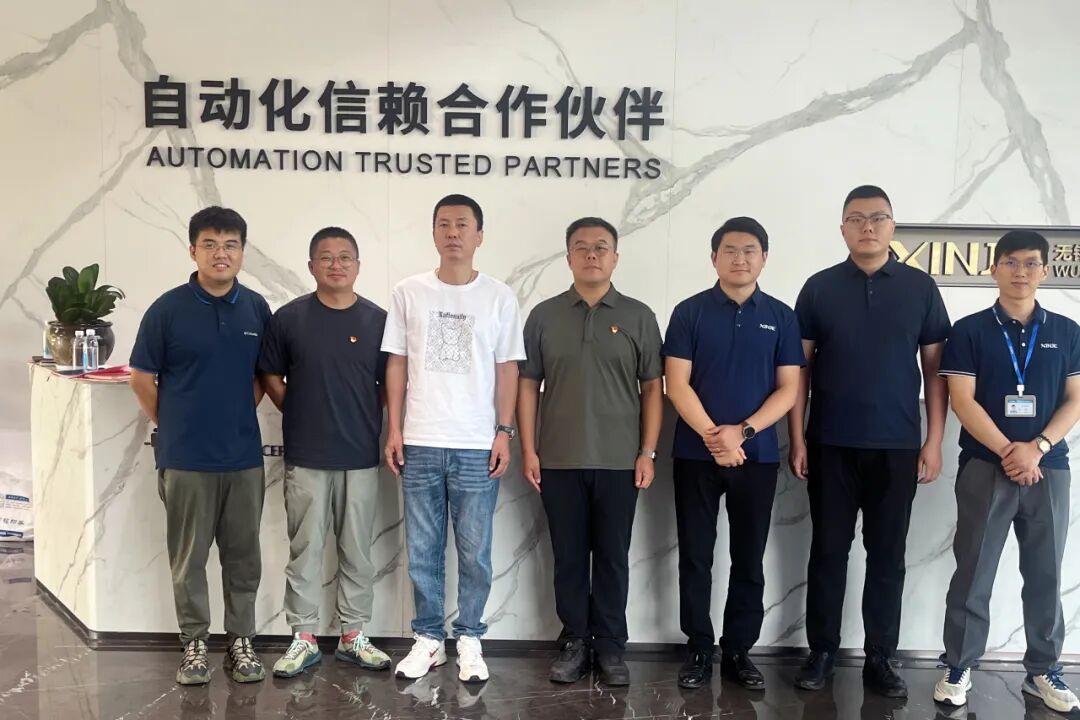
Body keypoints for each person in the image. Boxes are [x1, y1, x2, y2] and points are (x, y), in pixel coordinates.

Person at [787, 185, 951, 697]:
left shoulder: (920, 288)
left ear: (892, 226)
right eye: (856, 219)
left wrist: (934, 441)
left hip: (897, 445)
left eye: (878, 218)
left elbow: (936, 373)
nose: (867, 227)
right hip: (830, 443)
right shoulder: (819, 288)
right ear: (842, 229)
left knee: (887, 557)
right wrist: (797, 438)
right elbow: (798, 372)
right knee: (828, 552)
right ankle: (822, 652)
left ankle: (881, 657)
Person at [934, 230, 1080, 713]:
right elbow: (962, 400)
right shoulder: (969, 331)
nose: (1021, 271)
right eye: (1011, 262)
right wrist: (1008, 451)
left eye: (1031, 263)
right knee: (973, 571)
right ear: (994, 269)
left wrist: (1037, 448)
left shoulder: (1068, 332)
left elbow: (1075, 400)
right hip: (985, 465)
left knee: (1045, 573)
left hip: (1048, 469)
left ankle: (1043, 669)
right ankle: (959, 665)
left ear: (1045, 271)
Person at [381, 194, 525, 683]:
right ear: (433, 233)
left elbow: (508, 368)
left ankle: (469, 637)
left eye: (463, 224)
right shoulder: (409, 292)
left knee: (474, 551)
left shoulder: (499, 296)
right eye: (444, 224)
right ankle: (428, 639)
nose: (453, 233)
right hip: (420, 439)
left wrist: (504, 431)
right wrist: (395, 427)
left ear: (479, 235)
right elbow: (396, 362)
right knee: (423, 549)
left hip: (477, 444)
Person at [517, 217, 663, 687]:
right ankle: (576, 641)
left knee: (614, 557)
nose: (592, 254)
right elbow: (527, 386)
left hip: (620, 461)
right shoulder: (544, 316)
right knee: (569, 557)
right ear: (569, 258)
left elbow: (653, 389)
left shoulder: (639, 316)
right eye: (581, 247)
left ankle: (612, 646)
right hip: (558, 460)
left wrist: (647, 451)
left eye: (601, 247)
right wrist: (529, 449)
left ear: (615, 257)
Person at [129, 206, 270, 685]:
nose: (220, 253)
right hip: (186, 459)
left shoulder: (256, 309)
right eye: (210, 244)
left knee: (243, 557)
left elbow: (262, 377)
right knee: (188, 559)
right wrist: (175, 424)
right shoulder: (167, 310)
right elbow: (141, 378)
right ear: (193, 250)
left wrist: (234, 414)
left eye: (230, 245)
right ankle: (194, 644)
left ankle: (241, 642)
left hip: (243, 459)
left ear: (242, 252)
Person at [664, 217, 803, 690]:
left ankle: (739, 650)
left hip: (756, 456)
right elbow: (676, 384)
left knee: (749, 557)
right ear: (714, 258)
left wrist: (741, 433)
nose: (739, 259)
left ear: (764, 258)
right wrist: (714, 436)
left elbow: (789, 389)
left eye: (749, 251)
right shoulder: (689, 312)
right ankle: (699, 647)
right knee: (695, 557)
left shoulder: (782, 316)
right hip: (695, 455)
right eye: (729, 250)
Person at [258, 226, 392, 678]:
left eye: (345, 257)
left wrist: (366, 415)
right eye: (327, 257)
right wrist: (297, 408)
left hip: (360, 456)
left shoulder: (377, 321)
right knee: (306, 551)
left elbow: (388, 384)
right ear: (311, 266)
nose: (336, 265)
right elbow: (271, 375)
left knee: (357, 551)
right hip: (307, 456)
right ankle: (304, 637)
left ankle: (354, 636)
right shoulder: (289, 318)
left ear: (358, 265)